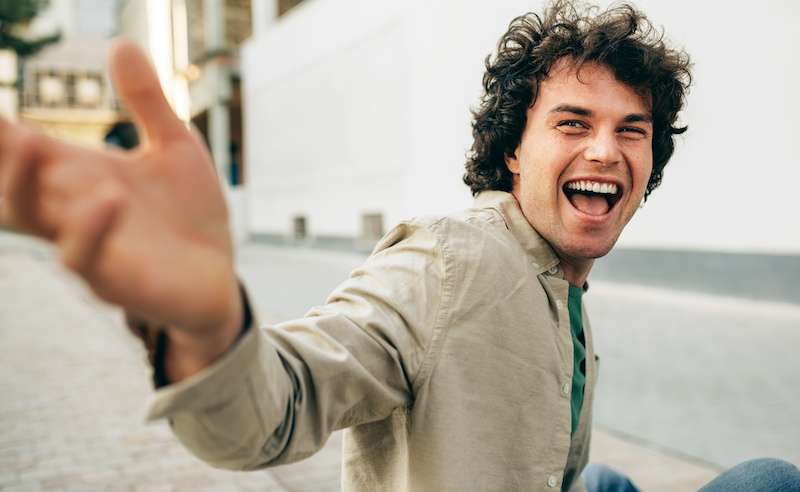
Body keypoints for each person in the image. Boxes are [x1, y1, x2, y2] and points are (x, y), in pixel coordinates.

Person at [0, 1, 798, 491]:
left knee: (606, 477)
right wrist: (209, 334)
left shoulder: (558, 272)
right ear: (513, 151)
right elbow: (272, 413)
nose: (605, 150)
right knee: (769, 480)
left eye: (632, 130)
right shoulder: (451, 261)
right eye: (572, 123)